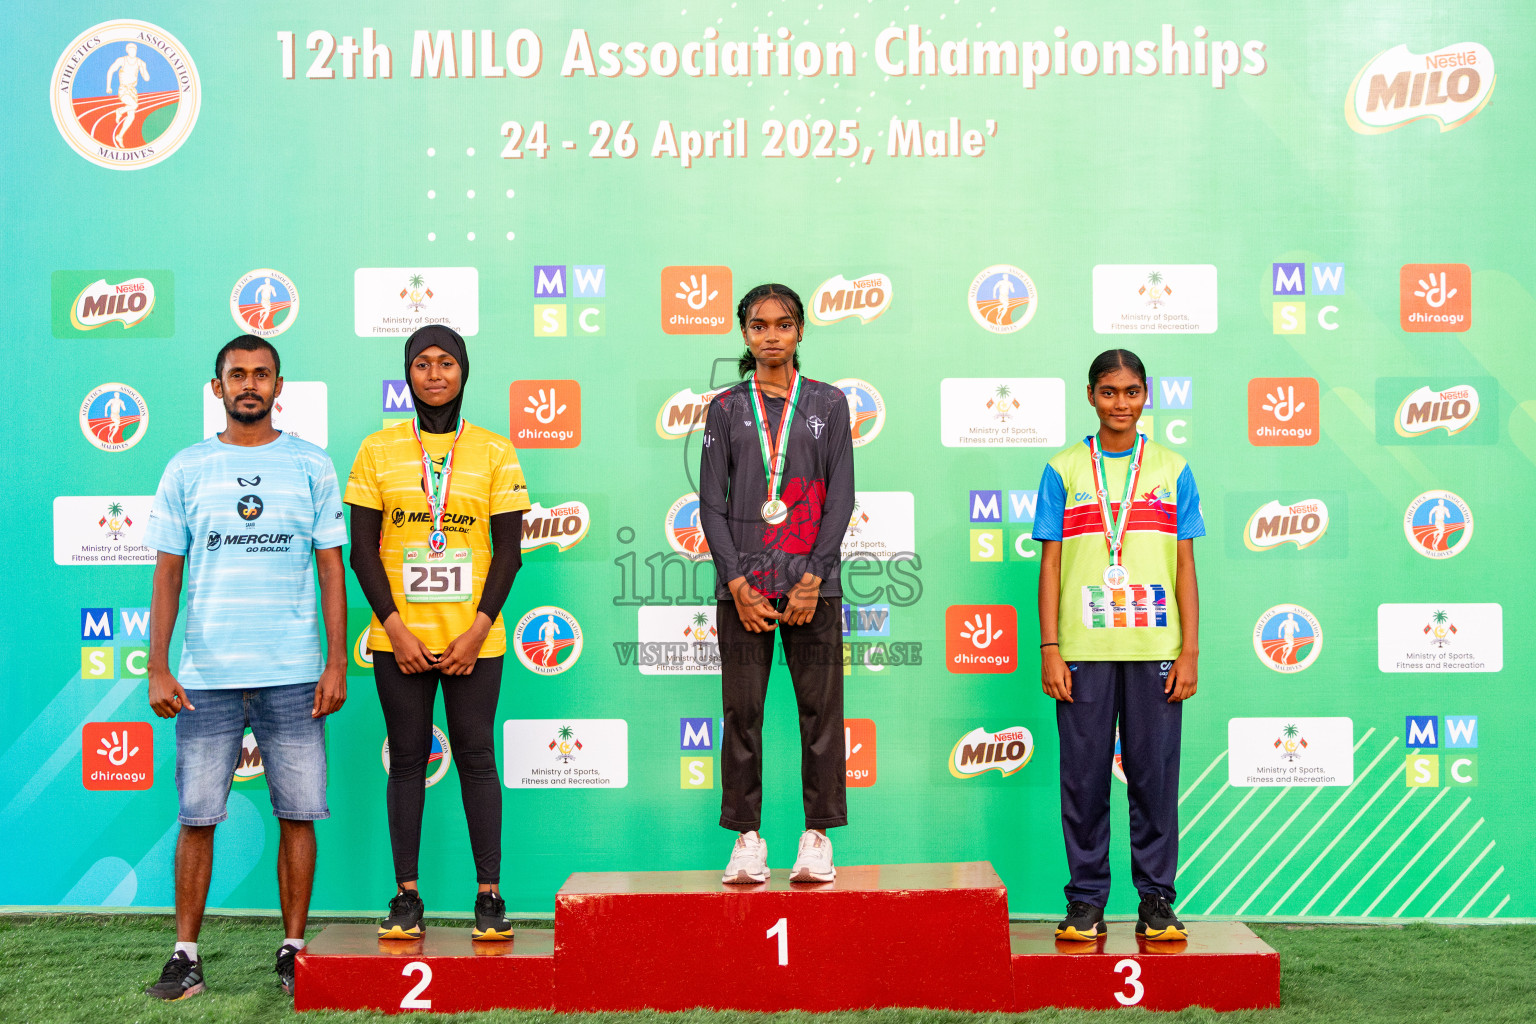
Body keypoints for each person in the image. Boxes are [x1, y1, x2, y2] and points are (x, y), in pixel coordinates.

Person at [143, 335, 348, 999]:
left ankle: (292, 949)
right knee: (197, 815)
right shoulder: (185, 468)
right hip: (205, 673)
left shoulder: (313, 466)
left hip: (293, 670)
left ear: (279, 385)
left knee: (298, 812)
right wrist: (158, 666)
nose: (249, 384)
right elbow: (167, 574)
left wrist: (335, 662)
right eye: (237, 374)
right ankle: (186, 955)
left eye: (261, 374)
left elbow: (330, 571)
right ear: (217, 387)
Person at [345, 325, 530, 940]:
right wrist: (393, 630)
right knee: (406, 764)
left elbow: (509, 553)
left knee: (477, 760)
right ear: (408, 374)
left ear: (463, 371)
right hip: (400, 640)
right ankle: (405, 898)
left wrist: (479, 630)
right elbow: (363, 554)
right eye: (421, 363)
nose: (434, 374)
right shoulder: (377, 451)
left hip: (475, 641)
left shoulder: (496, 452)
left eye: (445, 363)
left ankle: (489, 897)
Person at [1033, 349, 1204, 942]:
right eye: (1109, 392)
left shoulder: (1172, 468)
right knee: (1082, 781)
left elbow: (1184, 565)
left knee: (1154, 778)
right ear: (1090, 396)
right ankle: (1085, 901)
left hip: (1156, 645)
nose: (1121, 403)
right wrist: (1050, 646)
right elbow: (1051, 563)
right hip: (1082, 648)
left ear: (1146, 395)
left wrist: (1190, 650)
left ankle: (1157, 899)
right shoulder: (1063, 469)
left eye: (1132, 392)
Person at [698, 283, 855, 884]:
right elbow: (712, 504)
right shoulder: (725, 409)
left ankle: (817, 838)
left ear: (800, 331)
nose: (771, 335)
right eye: (758, 325)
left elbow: (840, 495)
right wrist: (736, 582)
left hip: (814, 584)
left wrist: (815, 574)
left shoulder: (829, 404)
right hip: (743, 590)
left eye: (782, 324)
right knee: (742, 713)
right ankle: (746, 839)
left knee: (821, 714)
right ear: (744, 334)